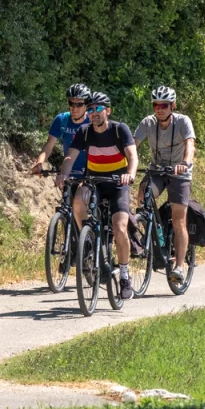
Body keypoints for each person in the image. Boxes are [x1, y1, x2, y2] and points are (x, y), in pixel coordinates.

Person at [57, 92, 138, 300]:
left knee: (120, 227)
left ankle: (124, 276)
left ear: (107, 111)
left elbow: (132, 156)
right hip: (94, 181)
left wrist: (130, 174)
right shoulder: (84, 132)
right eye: (90, 110)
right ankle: (90, 241)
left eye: (98, 109)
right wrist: (64, 173)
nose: (93, 113)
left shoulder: (120, 129)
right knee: (78, 200)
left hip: (118, 183)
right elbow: (70, 156)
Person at [134, 86, 195, 283]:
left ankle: (178, 266)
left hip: (180, 174)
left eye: (164, 105)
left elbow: (190, 145)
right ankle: (151, 226)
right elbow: (132, 146)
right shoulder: (148, 123)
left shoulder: (183, 121)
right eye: (156, 105)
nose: (159, 109)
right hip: (157, 170)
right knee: (144, 192)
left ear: (172, 106)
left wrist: (185, 164)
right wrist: (127, 166)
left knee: (179, 219)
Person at [31, 83, 92, 178]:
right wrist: (39, 162)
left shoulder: (93, 121)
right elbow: (49, 146)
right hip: (68, 173)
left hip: (91, 174)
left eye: (79, 104)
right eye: (71, 103)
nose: (74, 108)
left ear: (86, 105)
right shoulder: (62, 120)